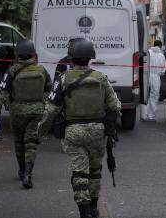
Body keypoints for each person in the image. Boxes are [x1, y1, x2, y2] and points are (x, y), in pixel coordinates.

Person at [37, 40, 121, 218]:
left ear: (71, 59)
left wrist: (41, 132)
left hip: (73, 132)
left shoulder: (62, 79)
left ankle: (84, 212)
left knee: (80, 173)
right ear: (91, 58)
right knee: (95, 171)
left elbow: (51, 109)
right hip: (98, 132)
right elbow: (115, 106)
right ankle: (94, 207)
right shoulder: (101, 77)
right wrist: (109, 127)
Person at [0, 39, 52, 189]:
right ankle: (28, 174)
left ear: (17, 55)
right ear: (33, 55)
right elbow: (49, 90)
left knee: (19, 143)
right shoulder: (41, 70)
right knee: (31, 143)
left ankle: (22, 171)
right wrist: (43, 103)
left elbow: (2, 92)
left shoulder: (12, 70)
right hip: (37, 112)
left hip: (17, 112)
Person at [141, 40, 166, 122]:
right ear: (160, 46)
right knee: (154, 96)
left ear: (153, 45)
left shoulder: (148, 52)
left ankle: (143, 115)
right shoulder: (161, 55)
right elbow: (163, 70)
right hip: (156, 77)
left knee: (145, 96)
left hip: (146, 75)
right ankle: (151, 116)